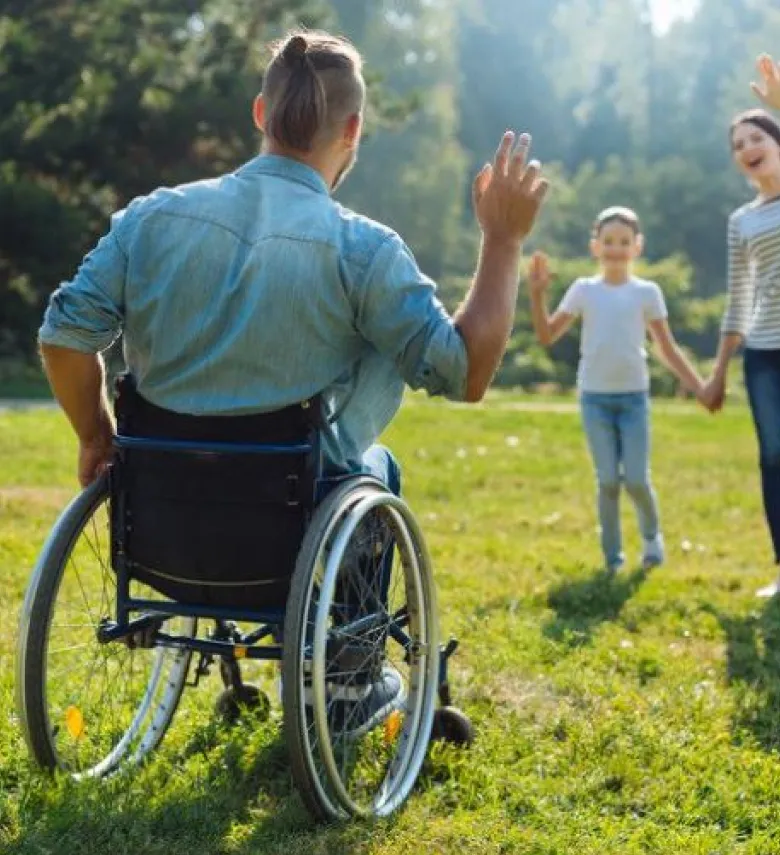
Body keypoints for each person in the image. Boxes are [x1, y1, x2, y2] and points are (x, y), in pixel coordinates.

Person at [37, 30, 549, 724]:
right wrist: (503, 241)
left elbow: (64, 336)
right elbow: (464, 372)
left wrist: (96, 434)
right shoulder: (363, 250)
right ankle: (347, 684)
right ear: (354, 130)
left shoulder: (151, 219)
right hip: (291, 528)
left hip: (161, 521)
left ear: (259, 113)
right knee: (376, 464)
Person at [527, 207, 709, 573]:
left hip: (634, 399)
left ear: (637, 246)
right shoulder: (583, 290)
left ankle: (651, 538)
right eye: (608, 241)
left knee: (637, 480)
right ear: (595, 246)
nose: (615, 248)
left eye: (624, 242)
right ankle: (613, 559)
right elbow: (547, 335)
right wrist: (536, 295)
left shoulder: (647, 292)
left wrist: (701, 387)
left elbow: (667, 347)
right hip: (595, 398)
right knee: (608, 481)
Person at [702, 82, 780, 597]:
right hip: (764, 354)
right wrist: (718, 372)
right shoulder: (742, 220)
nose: (746, 149)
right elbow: (738, 297)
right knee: (773, 458)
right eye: (737, 145)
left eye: (756, 136)